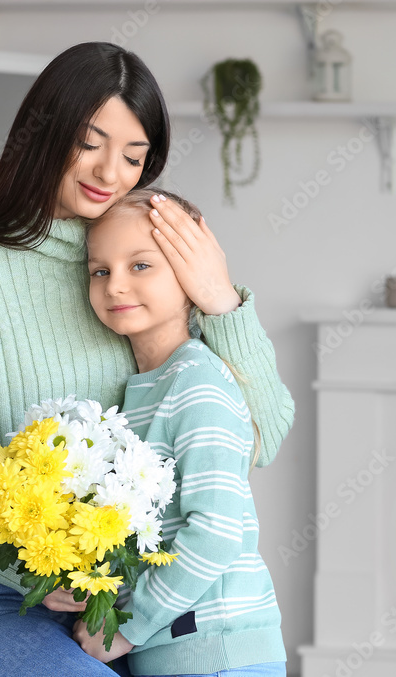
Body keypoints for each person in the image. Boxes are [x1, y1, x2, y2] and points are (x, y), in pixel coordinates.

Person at [0, 42, 293, 677]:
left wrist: (221, 298)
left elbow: (262, 436)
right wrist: (22, 559)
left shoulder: (143, 270)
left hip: (116, 611)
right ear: (44, 133)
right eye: (89, 142)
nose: (110, 172)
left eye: (133, 156)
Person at [76, 188, 286, 676]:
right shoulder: (141, 391)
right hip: (175, 651)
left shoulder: (197, 382)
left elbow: (214, 533)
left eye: (141, 266)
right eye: (100, 271)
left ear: (189, 276)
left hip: (217, 651)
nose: (115, 286)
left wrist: (125, 628)